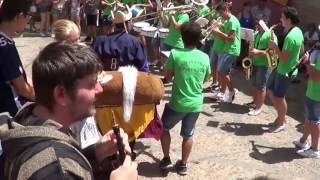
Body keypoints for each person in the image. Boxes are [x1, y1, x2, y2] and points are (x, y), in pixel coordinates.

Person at [1, 42, 138, 179]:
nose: (100, 89)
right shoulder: (56, 170)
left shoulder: (27, 121)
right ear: (61, 94)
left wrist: (96, 152)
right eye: (91, 84)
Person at [159, 22, 211, 176]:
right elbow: (207, 78)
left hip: (178, 102)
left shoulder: (175, 54)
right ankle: (183, 165)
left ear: (182, 37)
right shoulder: (205, 57)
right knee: (188, 135)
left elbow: (167, 77)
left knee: (163, 128)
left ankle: (166, 158)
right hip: (196, 104)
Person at [266, 6, 304, 133]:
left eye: (282, 17)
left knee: (279, 97)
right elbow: (302, 49)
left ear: (288, 19)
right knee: (270, 89)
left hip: (285, 71)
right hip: (280, 68)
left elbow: (285, 58)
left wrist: (275, 47)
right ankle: (281, 116)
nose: (280, 19)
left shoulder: (290, 37)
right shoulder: (298, 30)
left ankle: (281, 121)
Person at [0, 0, 35, 116]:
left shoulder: (4, 41)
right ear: (20, 16)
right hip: (12, 111)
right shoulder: (5, 48)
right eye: (28, 16)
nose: (28, 21)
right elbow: (22, 89)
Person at [94, 7, 149, 72]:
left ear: (114, 24)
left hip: (105, 79)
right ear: (128, 22)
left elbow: (93, 64)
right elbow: (143, 68)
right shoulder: (135, 42)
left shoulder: (99, 41)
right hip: (128, 80)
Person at [211, 1, 241, 103]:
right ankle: (228, 92)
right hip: (225, 49)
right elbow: (224, 36)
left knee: (221, 72)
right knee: (223, 72)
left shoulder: (233, 21)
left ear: (226, 10)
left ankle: (230, 91)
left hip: (231, 50)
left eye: (221, 13)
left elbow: (231, 39)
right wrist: (217, 29)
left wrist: (218, 32)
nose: (220, 15)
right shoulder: (227, 20)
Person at [247, 20, 277, 116]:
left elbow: (273, 53)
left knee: (261, 87)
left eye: (258, 25)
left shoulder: (270, 35)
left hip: (265, 65)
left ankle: (259, 108)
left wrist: (257, 52)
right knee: (255, 84)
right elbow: (253, 47)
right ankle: (255, 102)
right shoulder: (257, 34)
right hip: (256, 63)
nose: (256, 27)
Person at [293, 52, 320, 158]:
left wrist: (307, 63)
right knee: (309, 119)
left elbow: (314, 76)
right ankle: (303, 141)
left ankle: (315, 149)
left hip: (316, 94)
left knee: (314, 121)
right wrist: (309, 63)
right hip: (313, 92)